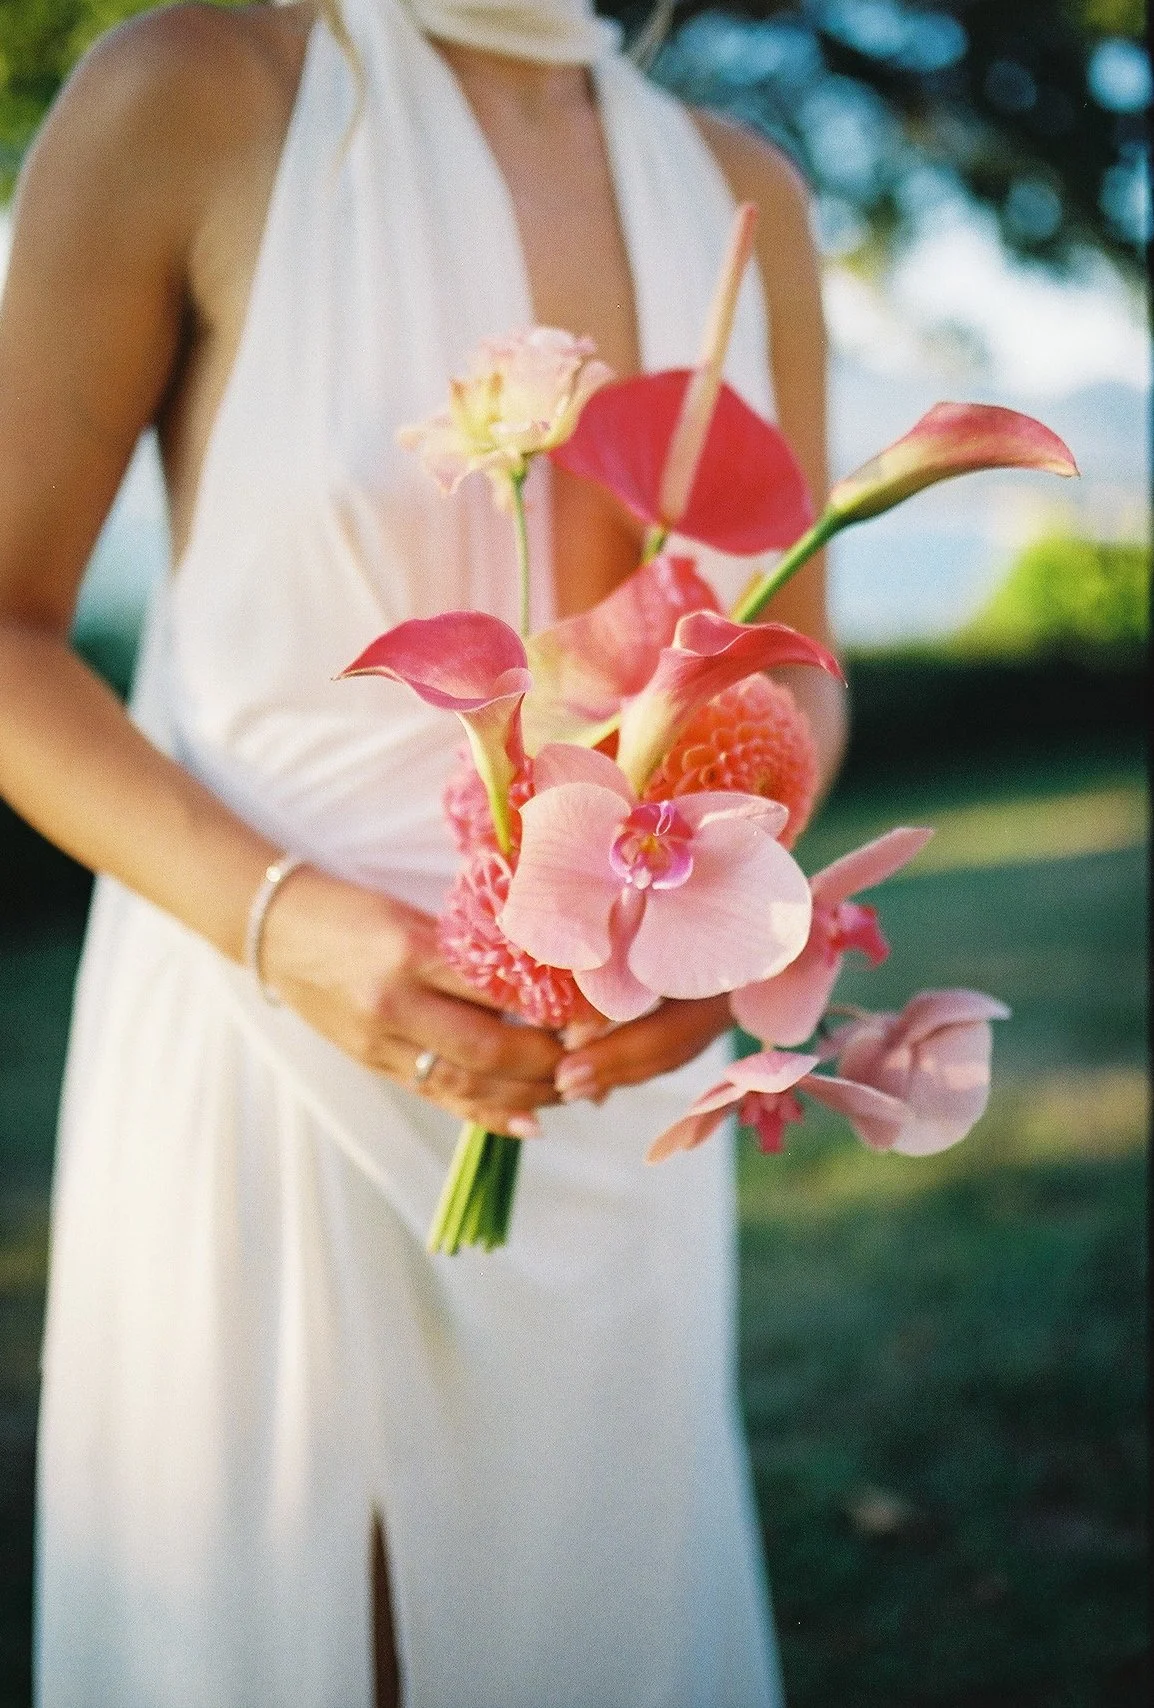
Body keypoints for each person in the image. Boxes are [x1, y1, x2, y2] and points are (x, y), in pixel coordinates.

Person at [0, 0, 847, 1700]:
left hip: (608, 1098)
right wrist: (284, 924)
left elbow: (796, 665)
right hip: (268, 1031)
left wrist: (717, 924)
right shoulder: (201, 92)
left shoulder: (746, 191)